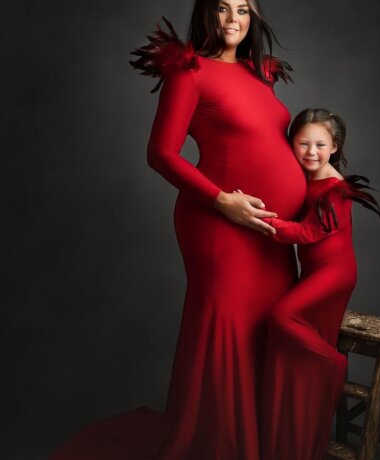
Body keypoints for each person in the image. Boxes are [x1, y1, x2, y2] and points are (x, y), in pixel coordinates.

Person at [48, 1, 308, 459]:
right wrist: (223, 201)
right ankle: (221, 447)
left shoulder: (259, 74)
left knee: (263, 332)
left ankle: (257, 444)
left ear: (254, 18)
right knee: (226, 330)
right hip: (218, 226)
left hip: (270, 235)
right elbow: (161, 153)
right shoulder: (190, 72)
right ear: (206, 15)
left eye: (244, 9)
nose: (234, 19)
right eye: (223, 8)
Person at [242, 107, 380, 460]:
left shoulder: (336, 189)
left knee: (281, 318)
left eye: (320, 145)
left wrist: (260, 221)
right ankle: (294, 441)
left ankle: (333, 363)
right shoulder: (303, 179)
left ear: (335, 147)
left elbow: (308, 232)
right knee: (292, 351)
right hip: (312, 273)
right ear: (291, 144)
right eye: (303, 143)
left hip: (334, 275)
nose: (311, 152)